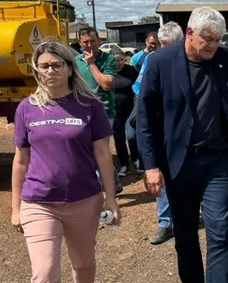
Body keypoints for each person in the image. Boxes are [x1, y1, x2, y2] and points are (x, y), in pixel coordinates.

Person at [10, 40, 121, 283]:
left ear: (70, 68)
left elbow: (104, 154)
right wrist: (15, 207)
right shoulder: (26, 109)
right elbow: (20, 161)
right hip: (39, 202)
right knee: (43, 275)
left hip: (84, 200)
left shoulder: (89, 105)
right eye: (44, 66)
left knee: (83, 260)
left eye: (57, 65)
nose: (50, 71)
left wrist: (112, 199)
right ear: (36, 70)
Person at [135, 7, 228, 283]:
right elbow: (146, 119)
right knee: (185, 237)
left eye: (218, 39)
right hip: (178, 164)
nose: (213, 45)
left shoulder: (226, 59)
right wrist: (151, 166)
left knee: (218, 236)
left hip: (216, 162)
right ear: (190, 34)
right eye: (207, 39)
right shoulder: (159, 63)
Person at [130, 22, 182, 245]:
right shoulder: (153, 60)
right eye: (164, 45)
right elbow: (139, 88)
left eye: (172, 45)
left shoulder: (190, 59)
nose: (168, 49)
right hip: (161, 126)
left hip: (182, 127)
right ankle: (165, 223)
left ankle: (185, 216)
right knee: (159, 172)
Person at [75, 26, 122, 194]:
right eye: (85, 42)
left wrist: (92, 64)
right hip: (81, 112)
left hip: (104, 112)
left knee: (98, 151)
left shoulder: (108, 59)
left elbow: (106, 84)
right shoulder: (75, 62)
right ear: (79, 43)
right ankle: (113, 181)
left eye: (92, 41)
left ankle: (102, 190)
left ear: (99, 41)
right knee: (89, 151)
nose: (89, 45)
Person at [111, 48, 140, 176]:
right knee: (119, 139)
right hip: (115, 112)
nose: (120, 62)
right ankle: (124, 165)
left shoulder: (131, 71)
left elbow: (139, 86)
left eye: (122, 59)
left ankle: (136, 159)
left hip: (130, 110)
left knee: (132, 137)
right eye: (117, 60)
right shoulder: (108, 72)